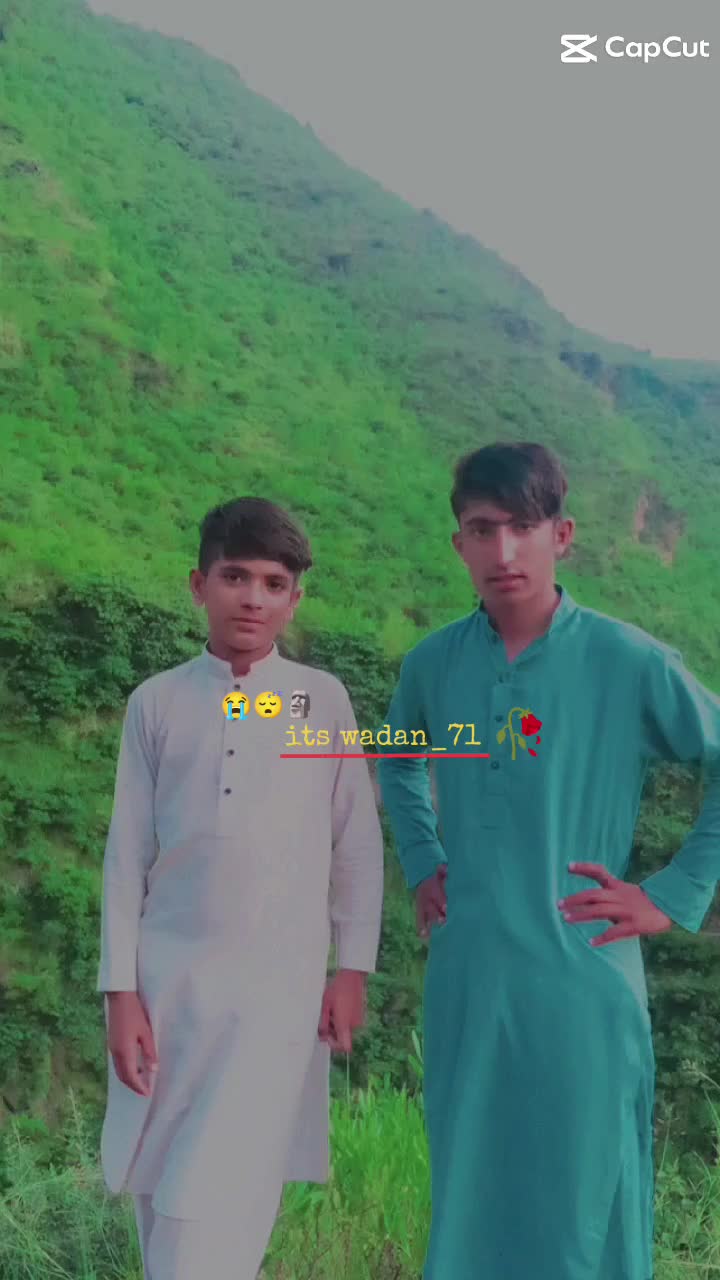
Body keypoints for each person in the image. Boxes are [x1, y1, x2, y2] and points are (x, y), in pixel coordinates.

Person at [376, 441, 720, 1280]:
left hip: (583, 974)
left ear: (561, 535)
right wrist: (422, 857)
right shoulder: (434, 665)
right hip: (470, 975)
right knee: (471, 1194)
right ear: (459, 543)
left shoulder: (626, 660)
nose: (502, 551)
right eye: (481, 529)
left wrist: (674, 892)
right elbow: (397, 758)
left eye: (522, 527)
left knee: (583, 1207)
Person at [96, 497, 384, 1280]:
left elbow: (356, 844)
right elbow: (126, 856)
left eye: (273, 583)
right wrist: (120, 993)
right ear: (199, 585)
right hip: (168, 989)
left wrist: (352, 969)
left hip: (275, 996)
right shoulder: (158, 702)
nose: (253, 598)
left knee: (211, 1203)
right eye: (235, 577)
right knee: (161, 1194)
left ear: (295, 598)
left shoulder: (317, 700)